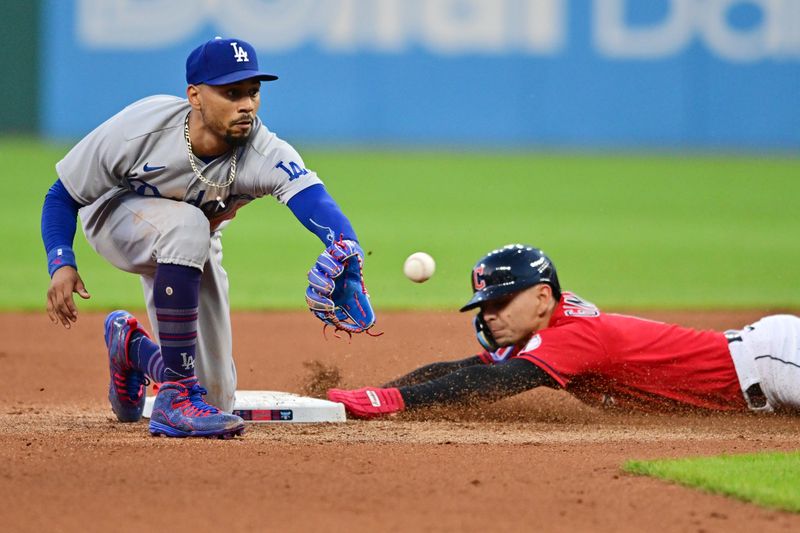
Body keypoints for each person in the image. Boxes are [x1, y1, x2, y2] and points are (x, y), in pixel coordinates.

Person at [41, 37, 376, 438]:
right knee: (189, 224)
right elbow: (62, 195)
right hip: (114, 218)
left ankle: (131, 348)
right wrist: (61, 262)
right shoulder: (141, 128)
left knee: (216, 399)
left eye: (252, 92)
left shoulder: (263, 151)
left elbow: (314, 200)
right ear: (195, 96)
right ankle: (176, 396)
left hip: (190, 245)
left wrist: (347, 250)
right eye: (231, 93)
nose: (246, 104)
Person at [328, 244, 800, 418]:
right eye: (483, 305)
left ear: (539, 296)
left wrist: (397, 402)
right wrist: (384, 391)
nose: (489, 315)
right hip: (761, 382)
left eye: (499, 302)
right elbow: (466, 367)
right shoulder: (552, 323)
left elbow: (492, 383)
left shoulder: (573, 337)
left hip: (771, 361)